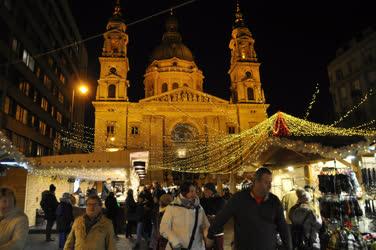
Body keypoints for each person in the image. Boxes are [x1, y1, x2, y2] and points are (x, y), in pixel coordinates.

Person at [207, 167, 292, 250]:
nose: (270, 186)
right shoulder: (239, 199)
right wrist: (210, 236)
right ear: (256, 181)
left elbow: (283, 227)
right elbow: (221, 218)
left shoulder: (274, 201)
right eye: (266, 182)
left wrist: (288, 247)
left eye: (270, 182)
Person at [160, 181, 210, 250]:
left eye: (195, 191)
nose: (194, 194)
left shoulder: (199, 208)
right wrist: (174, 241)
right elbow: (164, 227)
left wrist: (207, 235)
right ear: (184, 192)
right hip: (177, 248)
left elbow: (205, 225)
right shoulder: (172, 207)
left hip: (196, 247)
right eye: (191, 191)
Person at [200, 183, 225, 250]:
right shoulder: (202, 200)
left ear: (212, 191)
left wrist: (214, 216)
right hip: (206, 231)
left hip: (217, 230)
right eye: (204, 190)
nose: (204, 192)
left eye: (206, 190)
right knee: (207, 248)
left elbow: (222, 213)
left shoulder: (220, 200)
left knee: (219, 248)